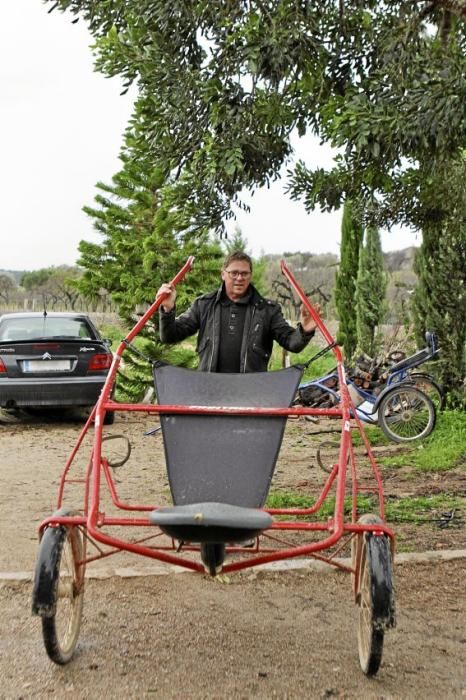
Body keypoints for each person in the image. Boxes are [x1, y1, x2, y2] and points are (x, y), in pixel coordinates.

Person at [156, 251, 318, 373]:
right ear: (223, 274)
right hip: (210, 389)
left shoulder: (268, 310)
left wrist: (305, 329)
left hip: (250, 392)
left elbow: (292, 343)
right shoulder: (204, 305)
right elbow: (170, 336)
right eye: (234, 273)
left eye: (244, 273)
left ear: (250, 275)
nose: (239, 278)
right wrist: (167, 309)